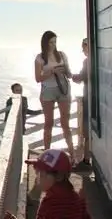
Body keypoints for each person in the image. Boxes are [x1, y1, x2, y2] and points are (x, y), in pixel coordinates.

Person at [4, 149, 90, 219]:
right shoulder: (75, 198)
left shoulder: (53, 205)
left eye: (41, 175)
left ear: (59, 177)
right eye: (37, 173)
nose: (37, 179)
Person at [34, 30, 76, 161]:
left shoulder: (62, 55)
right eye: (50, 42)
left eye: (55, 42)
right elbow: (38, 78)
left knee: (65, 123)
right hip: (48, 91)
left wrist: (65, 70)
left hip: (63, 89)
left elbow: (69, 74)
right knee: (48, 123)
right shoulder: (40, 58)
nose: (53, 45)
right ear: (45, 43)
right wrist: (52, 72)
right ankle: (47, 154)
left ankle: (72, 155)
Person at [72, 38, 91, 167]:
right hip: (95, 99)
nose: (83, 51)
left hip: (90, 98)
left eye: (84, 48)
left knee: (87, 130)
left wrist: (70, 75)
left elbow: (80, 78)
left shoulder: (87, 62)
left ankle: (86, 161)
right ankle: (87, 159)